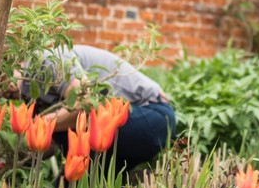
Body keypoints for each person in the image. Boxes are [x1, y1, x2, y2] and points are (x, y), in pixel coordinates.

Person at [13, 44, 176, 174]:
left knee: (76, 127)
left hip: (153, 116)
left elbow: (85, 104)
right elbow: (50, 144)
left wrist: (39, 123)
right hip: (125, 130)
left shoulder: (49, 60)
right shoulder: (28, 95)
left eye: (1, 78)